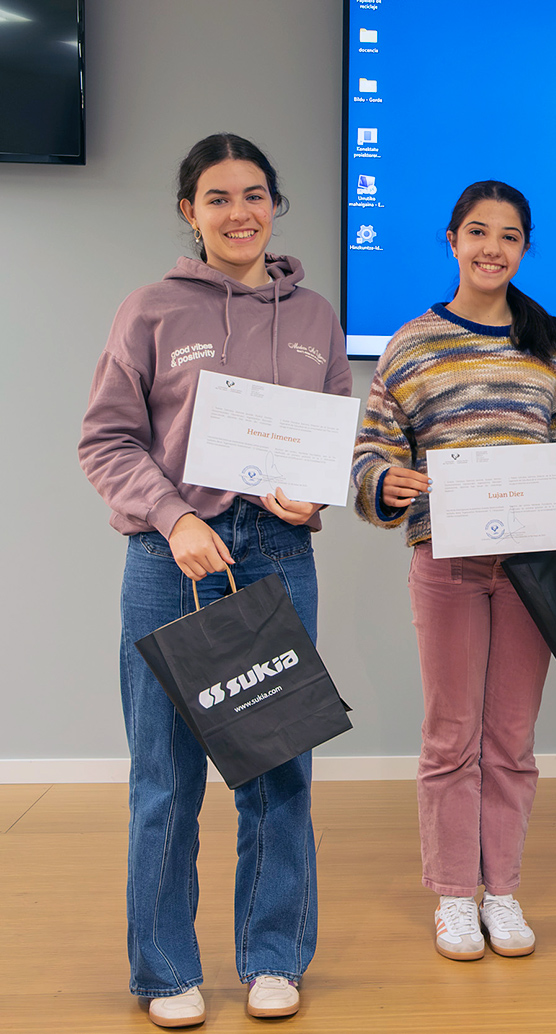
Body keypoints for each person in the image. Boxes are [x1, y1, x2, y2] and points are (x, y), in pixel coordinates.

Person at [79, 133, 352, 1027]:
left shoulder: (315, 316)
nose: (240, 212)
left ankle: (273, 958)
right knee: (165, 777)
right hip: (172, 563)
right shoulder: (150, 309)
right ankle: (164, 970)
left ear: (276, 205)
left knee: (278, 771)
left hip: (277, 555)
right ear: (188, 212)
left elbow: (328, 447)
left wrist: (311, 502)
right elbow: (106, 442)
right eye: (219, 197)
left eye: (255, 195)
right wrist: (176, 518)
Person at [351, 181, 556, 963]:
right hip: (446, 561)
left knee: (512, 738)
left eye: (510, 236)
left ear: (525, 247)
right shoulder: (410, 344)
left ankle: (503, 890)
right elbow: (372, 453)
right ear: (452, 239)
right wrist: (383, 485)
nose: (493, 248)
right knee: (450, 736)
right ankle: (455, 895)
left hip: (533, 567)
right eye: (478, 233)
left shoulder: (549, 343)